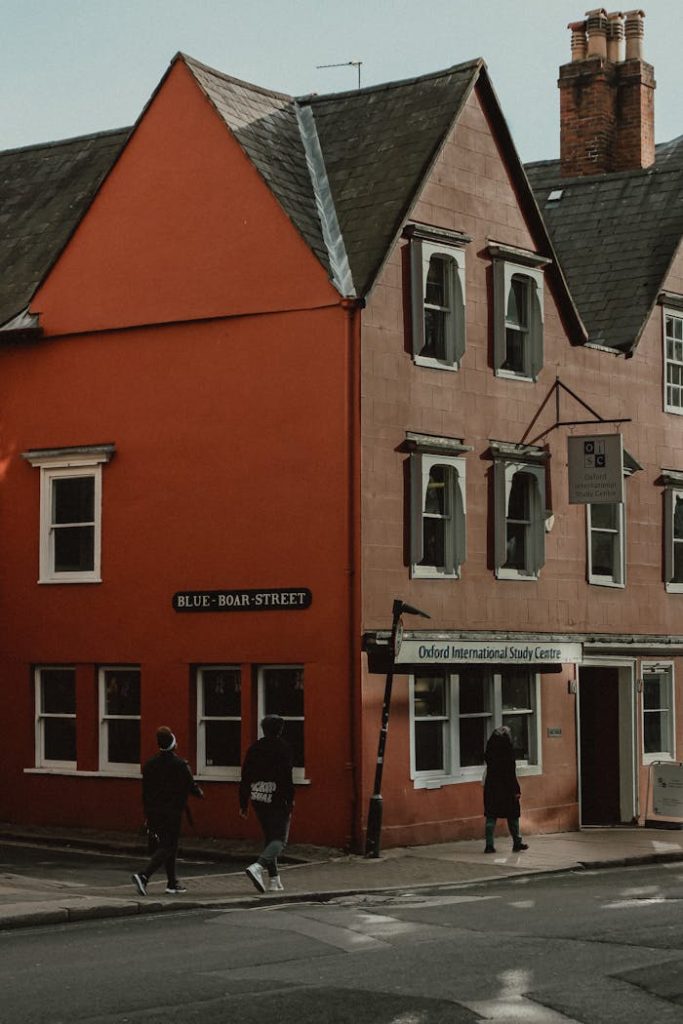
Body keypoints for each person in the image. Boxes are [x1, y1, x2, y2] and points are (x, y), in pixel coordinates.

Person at [131, 726, 203, 895]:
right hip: (172, 811)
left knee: (169, 845)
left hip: (153, 811)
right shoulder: (180, 765)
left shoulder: (149, 765)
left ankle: (172, 883)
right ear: (173, 744)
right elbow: (191, 786)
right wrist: (199, 793)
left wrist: (146, 813)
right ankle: (144, 876)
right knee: (168, 846)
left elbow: (145, 791)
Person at [239, 714, 294, 893]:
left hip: (258, 797)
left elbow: (245, 775)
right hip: (277, 798)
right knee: (280, 840)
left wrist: (243, 802)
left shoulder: (254, 748)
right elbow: (287, 777)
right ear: (280, 729)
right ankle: (258, 866)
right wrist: (290, 799)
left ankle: (274, 880)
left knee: (270, 838)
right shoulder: (283, 748)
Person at [483, 725, 528, 854]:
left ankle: (489, 845)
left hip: (491, 786)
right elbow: (510, 774)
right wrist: (516, 789)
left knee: (491, 816)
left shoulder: (490, 753)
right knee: (513, 815)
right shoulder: (508, 754)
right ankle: (517, 842)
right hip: (507, 788)